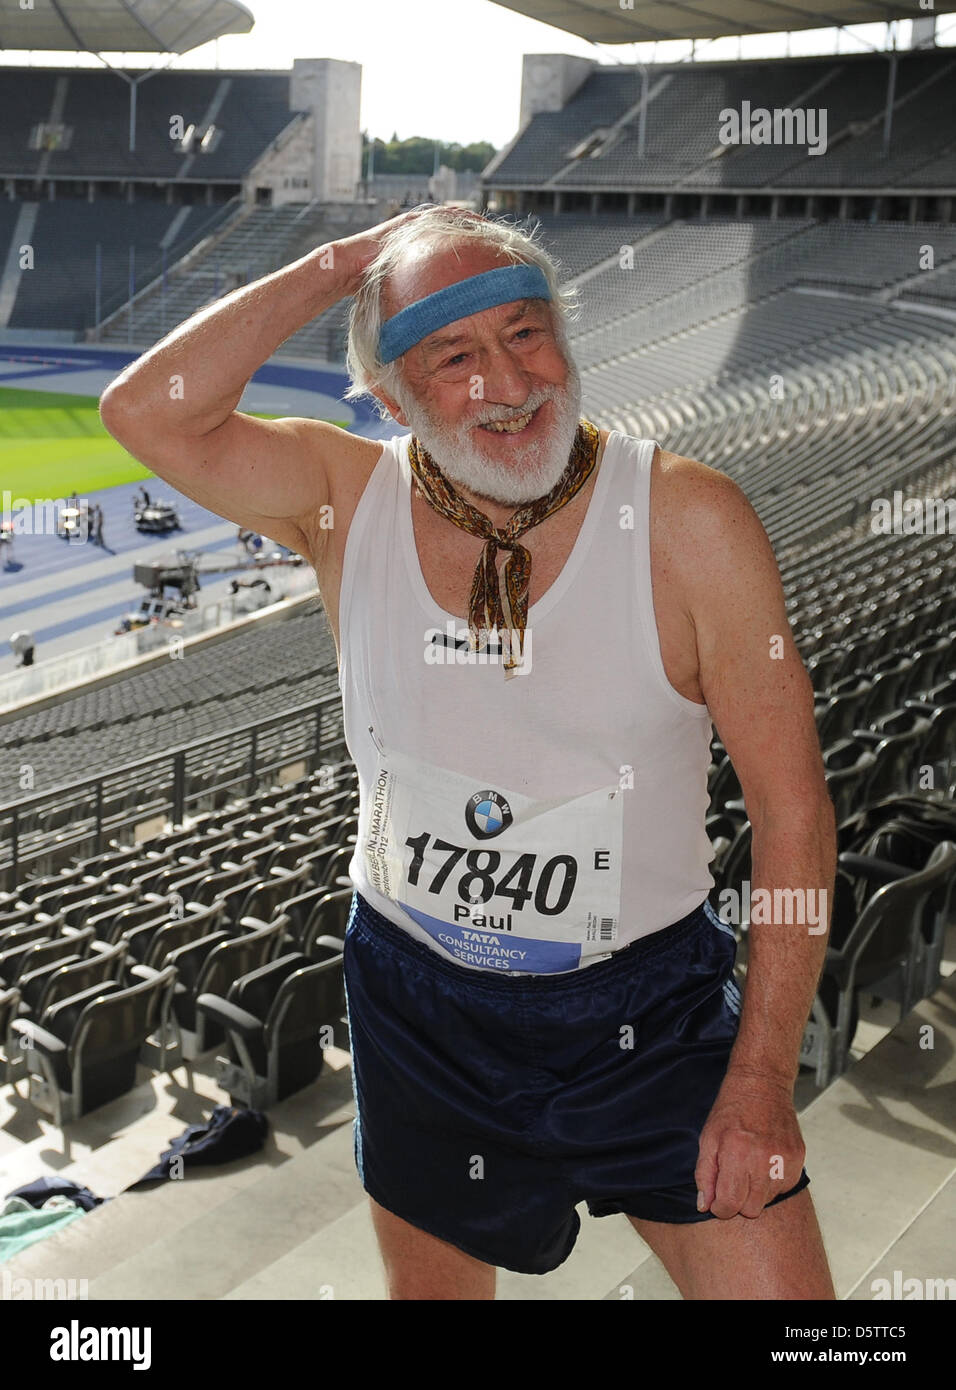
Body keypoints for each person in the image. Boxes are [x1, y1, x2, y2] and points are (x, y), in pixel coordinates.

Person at [98, 205, 837, 1301]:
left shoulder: (686, 520)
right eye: (453, 354)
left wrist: (761, 1080)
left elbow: (791, 815)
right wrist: (344, 265)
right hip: (419, 1003)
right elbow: (147, 413)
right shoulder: (344, 500)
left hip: (643, 1013)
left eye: (526, 333)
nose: (508, 379)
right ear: (390, 396)